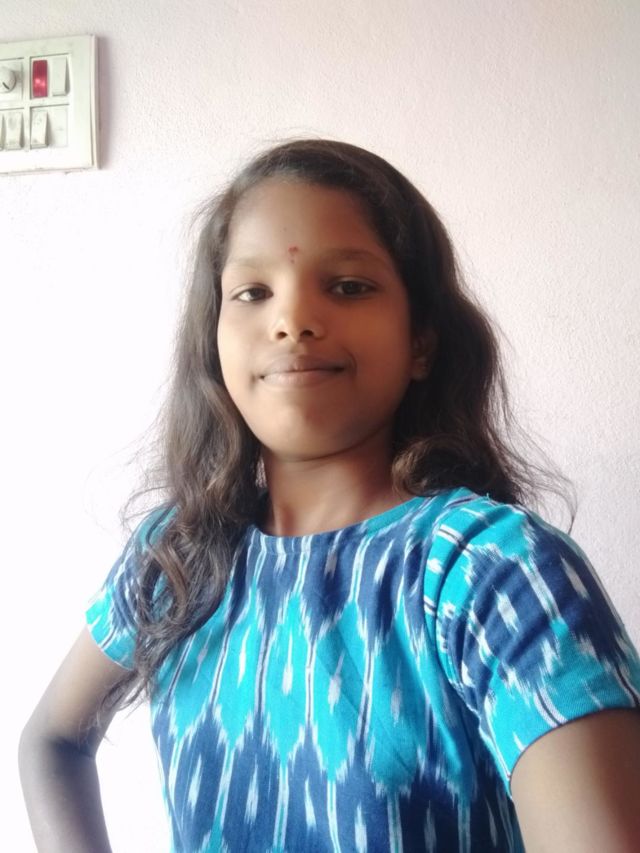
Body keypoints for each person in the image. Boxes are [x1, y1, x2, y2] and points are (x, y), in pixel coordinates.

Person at [19, 139, 640, 853]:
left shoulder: (491, 573)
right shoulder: (178, 557)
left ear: (422, 341)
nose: (293, 319)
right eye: (252, 292)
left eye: (347, 286)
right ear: (213, 340)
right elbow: (51, 741)